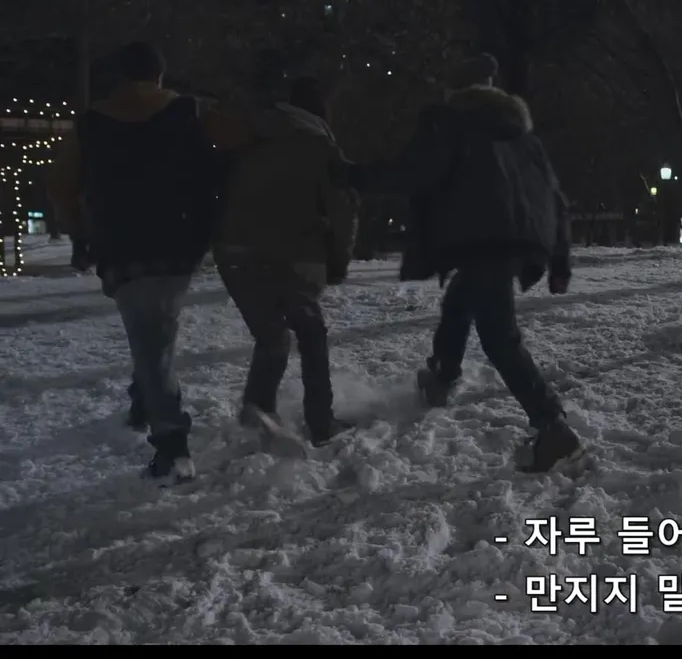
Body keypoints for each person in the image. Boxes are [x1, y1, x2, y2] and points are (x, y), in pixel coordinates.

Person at [362, 53, 580, 473]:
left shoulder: (453, 126)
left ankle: (554, 429)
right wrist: (560, 260)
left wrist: (352, 175)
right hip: (512, 242)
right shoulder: (521, 136)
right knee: (459, 301)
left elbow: (412, 172)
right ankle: (442, 376)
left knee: (499, 338)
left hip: (484, 242)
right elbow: (556, 199)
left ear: (456, 91)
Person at [45, 41, 244, 484]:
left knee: (151, 337)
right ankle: (144, 401)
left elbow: (60, 184)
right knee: (154, 333)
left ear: (120, 76)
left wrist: (80, 232)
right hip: (181, 242)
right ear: (159, 75)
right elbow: (243, 143)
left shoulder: (90, 124)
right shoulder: (191, 112)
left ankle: (172, 444)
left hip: (122, 245)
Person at [212, 77, 359, 454]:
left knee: (271, 334)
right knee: (311, 332)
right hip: (295, 254)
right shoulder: (321, 146)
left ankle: (258, 409)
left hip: (235, 253)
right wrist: (338, 262)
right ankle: (321, 422)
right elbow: (342, 211)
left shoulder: (246, 135)